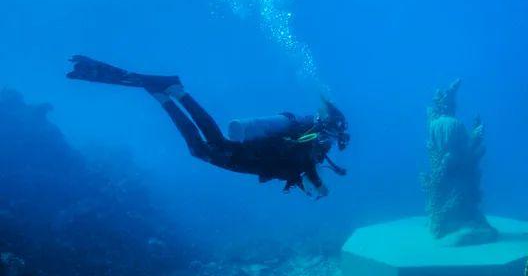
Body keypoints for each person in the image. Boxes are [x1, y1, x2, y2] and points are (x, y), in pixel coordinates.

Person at [66, 55, 349, 198]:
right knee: (215, 143)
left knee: (199, 149)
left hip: (257, 160)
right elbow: (304, 161)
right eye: (339, 134)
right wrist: (320, 187)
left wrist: (314, 183)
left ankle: (163, 96)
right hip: (255, 156)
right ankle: (176, 92)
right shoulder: (317, 137)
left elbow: (302, 163)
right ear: (333, 127)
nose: (338, 140)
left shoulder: (316, 136)